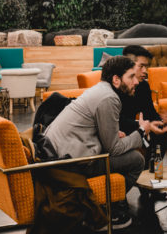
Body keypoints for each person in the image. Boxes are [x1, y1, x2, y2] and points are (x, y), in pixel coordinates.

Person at [44, 56, 150, 230]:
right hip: (70, 164)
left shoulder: (101, 90)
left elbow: (93, 130)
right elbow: (114, 148)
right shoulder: (109, 98)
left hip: (58, 155)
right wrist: (141, 131)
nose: (136, 81)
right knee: (136, 160)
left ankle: (105, 205)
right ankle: (105, 209)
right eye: (131, 76)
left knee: (128, 150)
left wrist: (115, 134)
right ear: (116, 79)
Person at [120, 45, 167, 200]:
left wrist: (160, 122)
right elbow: (116, 120)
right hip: (119, 129)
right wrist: (142, 126)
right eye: (141, 66)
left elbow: (149, 111)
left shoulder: (143, 85)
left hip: (137, 126)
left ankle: (151, 182)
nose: (145, 71)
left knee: (162, 133)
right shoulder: (116, 87)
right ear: (128, 66)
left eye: (146, 67)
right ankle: (121, 196)